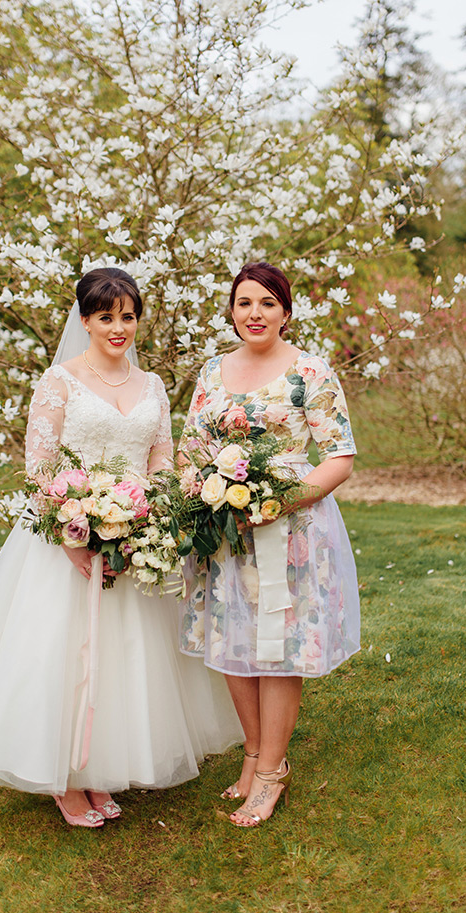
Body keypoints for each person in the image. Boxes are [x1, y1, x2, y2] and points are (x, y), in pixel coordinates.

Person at [0, 268, 241, 828]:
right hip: (61, 540)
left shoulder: (153, 386)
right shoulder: (59, 381)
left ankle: (98, 770)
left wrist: (146, 518)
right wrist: (73, 535)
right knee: (60, 655)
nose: (119, 328)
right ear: (85, 319)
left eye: (128, 317)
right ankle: (62, 780)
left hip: (131, 538)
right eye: (106, 317)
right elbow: (39, 470)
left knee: (124, 655)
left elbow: (160, 457)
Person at [178, 261, 360, 827]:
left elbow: (340, 456)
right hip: (225, 532)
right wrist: (203, 487)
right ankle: (253, 755)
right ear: (232, 311)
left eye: (267, 304)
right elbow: (189, 447)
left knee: (278, 647)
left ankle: (273, 772)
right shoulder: (211, 372)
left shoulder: (310, 371)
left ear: (285, 312)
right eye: (244, 303)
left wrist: (280, 501)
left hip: (292, 530)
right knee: (234, 642)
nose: (254, 314)